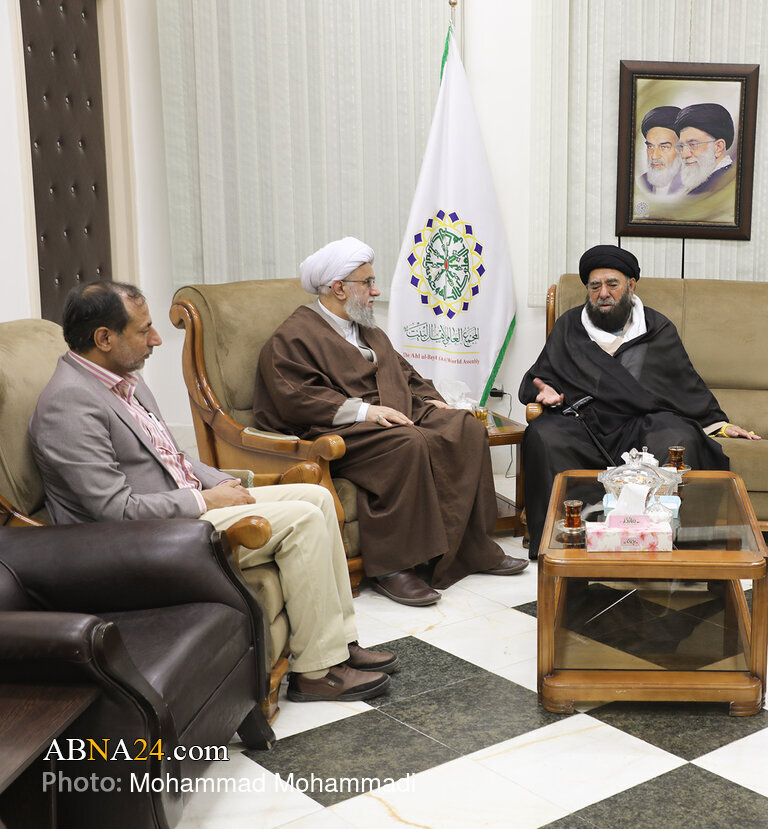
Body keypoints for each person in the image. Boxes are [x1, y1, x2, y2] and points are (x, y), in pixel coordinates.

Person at [30, 281, 395, 703]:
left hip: (182, 507)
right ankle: (317, 671)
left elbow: (171, 455)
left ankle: (340, 643)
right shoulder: (69, 405)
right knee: (303, 520)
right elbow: (114, 510)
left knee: (316, 498)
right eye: (144, 330)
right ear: (104, 338)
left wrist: (219, 482)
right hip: (144, 539)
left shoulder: (123, 380)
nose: (156, 339)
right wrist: (205, 500)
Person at [254, 237, 528, 608]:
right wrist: (365, 411)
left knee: (466, 427)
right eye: (367, 282)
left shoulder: (367, 330)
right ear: (339, 288)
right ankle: (394, 568)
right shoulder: (293, 336)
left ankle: (472, 547)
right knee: (407, 442)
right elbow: (295, 395)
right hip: (339, 430)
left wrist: (432, 401)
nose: (376, 291)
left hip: (396, 414)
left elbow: (405, 373)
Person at [519, 244, 760, 555]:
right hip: (585, 424)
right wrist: (546, 392)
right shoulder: (570, 326)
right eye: (595, 286)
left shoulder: (657, 328)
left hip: (642, 422)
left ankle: (663, 541)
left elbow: (683, 386)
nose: (603, 293)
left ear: (631, 285)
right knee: (543, 435)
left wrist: (720, 425)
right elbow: (540, 376)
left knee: (679, 437)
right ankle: (564, 543)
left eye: (612, 284)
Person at [674, 103, 737, 195]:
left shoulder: (717, 189)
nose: (684, 155)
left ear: (718, 147)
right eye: (682, 146)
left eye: (693, 144)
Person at [638, 106, 684, 196]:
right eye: (650, 146)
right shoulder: (642, 182)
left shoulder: (697, 187)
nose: (654, 156)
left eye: (664, 147)